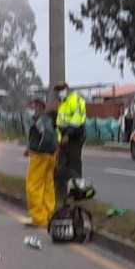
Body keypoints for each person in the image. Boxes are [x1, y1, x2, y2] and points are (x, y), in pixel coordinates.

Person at [23, 98, 57, 228]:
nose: (32, 110)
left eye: (34, 107)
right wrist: (30, 147)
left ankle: (39, 218)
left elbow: (46, 134)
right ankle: (49, 214)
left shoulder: (40, 120)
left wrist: (38, 148)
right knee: (48, 185)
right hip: (50, 155)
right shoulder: (47, 120)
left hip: (40, 157)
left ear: (41, 108)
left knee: (33, 187)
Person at [53, 82, 87, 212]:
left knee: (74, 166)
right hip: (63, 140)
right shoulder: (63, 103)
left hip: (74, 138)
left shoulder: (76, 100)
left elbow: (76, 122)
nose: (58, 93)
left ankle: (78, 193)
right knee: (60, 168)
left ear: (67, 89)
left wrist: (67, 135)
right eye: (57, 91)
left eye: (60, 90)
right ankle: (62, 195)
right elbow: (60, 122)